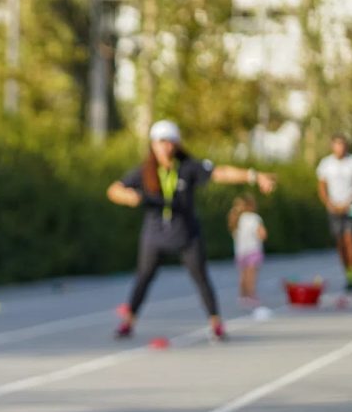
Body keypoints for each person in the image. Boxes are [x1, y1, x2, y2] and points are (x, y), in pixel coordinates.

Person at [107, 120, 276, 341]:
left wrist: (255, 176)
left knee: (201, 277)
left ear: (176, 144)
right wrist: (128, 197)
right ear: (153, 145)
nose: (166, 147)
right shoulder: (145, 171)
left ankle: (215, 322)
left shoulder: (188, 167)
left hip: (186, 234)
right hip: (155, 235)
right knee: (143, 278)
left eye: (170, 142)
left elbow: (221, 173)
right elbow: (114, 189)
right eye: (161, 142)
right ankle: (128, 322)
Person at [316, 134, 352, 292]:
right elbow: (321, 187)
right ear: (332, 147)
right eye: (337, 145)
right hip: (334, 208)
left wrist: (351, 201)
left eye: (342, 145)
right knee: (340, 242)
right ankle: (347, 271)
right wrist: (329, 203)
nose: (340, 148)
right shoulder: (326, 164)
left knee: (350, 239)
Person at [228, 193, 267, 307]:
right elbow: (262, 233)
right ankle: (251, 295)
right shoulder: (254, 218)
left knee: (243, 275)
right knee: (251, 275)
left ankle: (242, 296)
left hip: (240, 251)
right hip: (253, 249)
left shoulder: (236, 218)